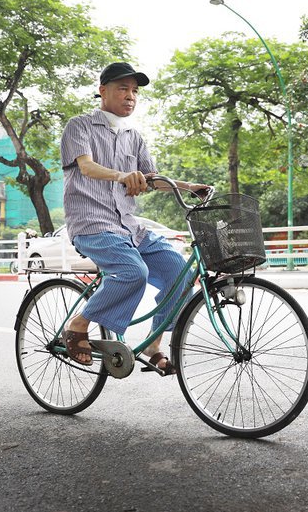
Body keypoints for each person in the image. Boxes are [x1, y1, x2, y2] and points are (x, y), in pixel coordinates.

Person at [59, 62, 209, 374]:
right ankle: (78, 324)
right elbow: (86, 167)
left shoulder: (134, 136)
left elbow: (150, 178)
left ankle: (154, 346)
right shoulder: (79, 126)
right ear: (103, 91)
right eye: (123, 89)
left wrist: (188, 187)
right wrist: (123, 175)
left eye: (135, 91)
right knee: (133, 272)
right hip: (92, 223)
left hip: (129, 228)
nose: (131, 96)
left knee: (179, 273)